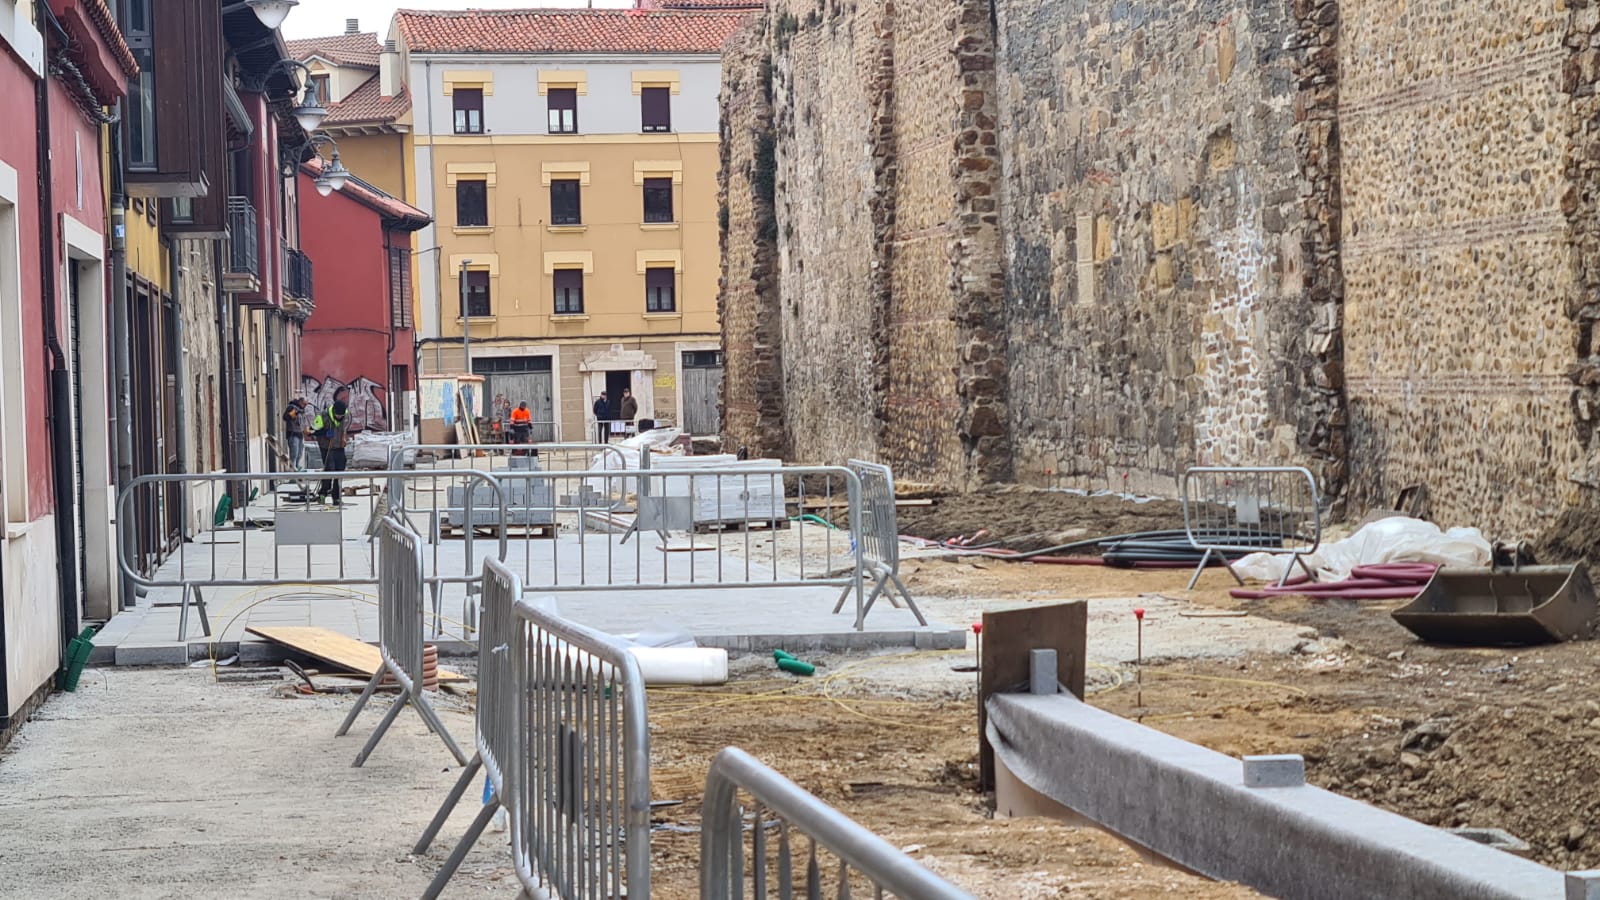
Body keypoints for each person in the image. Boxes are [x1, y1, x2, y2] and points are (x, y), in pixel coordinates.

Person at [314, 389, 351, 506]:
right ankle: (323, 493)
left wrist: (344, 437)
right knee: (330, 469)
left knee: (340, 470)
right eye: (338, 416)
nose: (340, 417)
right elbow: (311, 431)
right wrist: (324, 433)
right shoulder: (323, 416)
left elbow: (344, 428)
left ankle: (336, 496)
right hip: (327, 447)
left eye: (342, 416)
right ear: (334, 412)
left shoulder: (345, 414)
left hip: (339, 446)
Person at [282, 397, 308, 470]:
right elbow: (286, 417)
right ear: (300, 402)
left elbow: (303, 422)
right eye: (304, 404)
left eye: (306, 404)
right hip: (293, 434)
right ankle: (292, 470)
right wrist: (295, 413)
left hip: (300, 434)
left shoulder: (302, 410)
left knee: (300, 453)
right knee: (294, 454)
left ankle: (297, 466)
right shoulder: (292, 407)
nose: (305, 406)